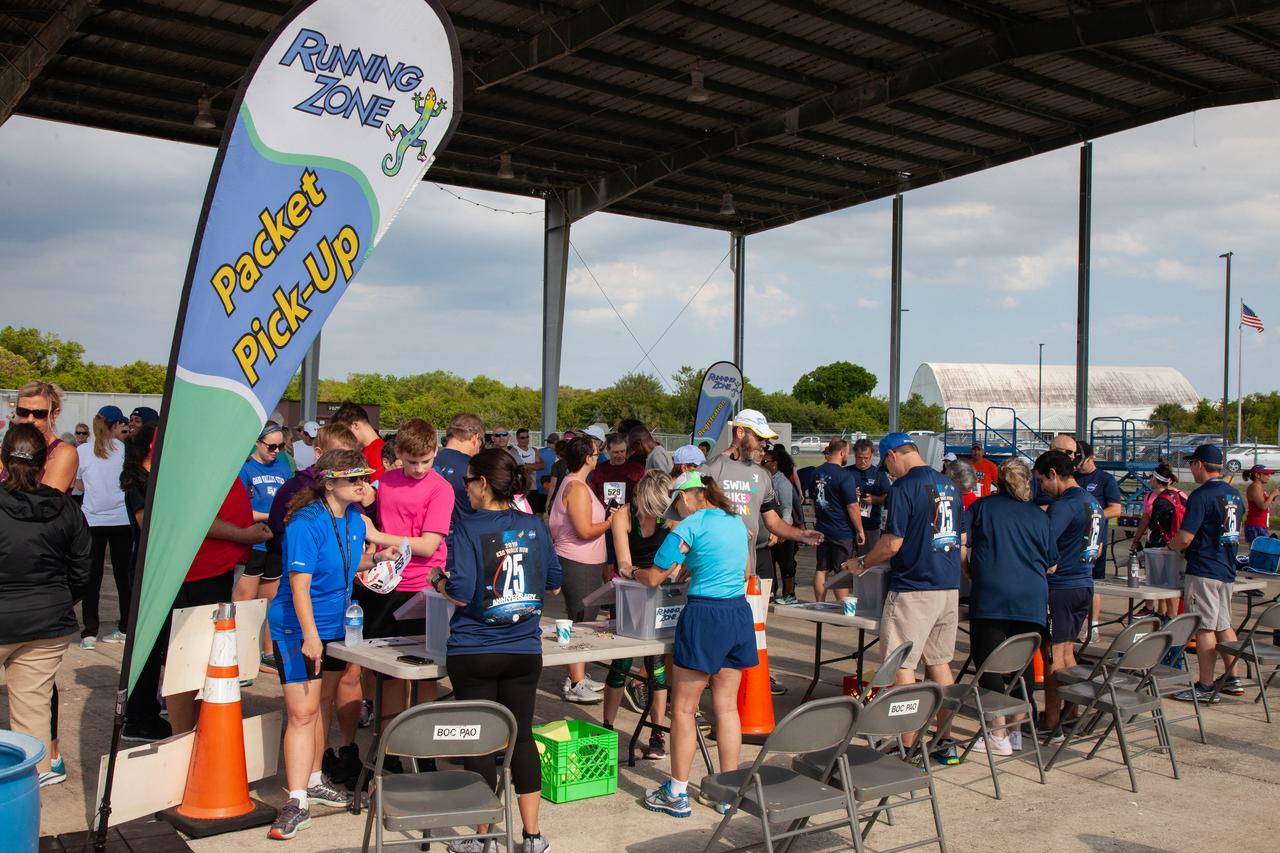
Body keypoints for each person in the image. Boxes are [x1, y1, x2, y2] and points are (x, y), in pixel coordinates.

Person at [432, 448, 561, 853]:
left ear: (483, 483)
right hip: (523, 648)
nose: (464, 489)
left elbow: (460, 589)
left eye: (468, 481)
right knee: (521, 739)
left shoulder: (467, 525)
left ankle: (482, 836)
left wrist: (438, 581)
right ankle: (533, 836)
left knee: (480, 743)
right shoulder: (532, 524)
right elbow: (554, 581)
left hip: (474, 649)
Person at [267, 449, 396, 840]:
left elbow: (344, 562)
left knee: (320, 705)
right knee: (303, 712)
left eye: (365, 478)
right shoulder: (305, 523)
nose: (364, 485)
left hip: (336, 626)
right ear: (329, 482)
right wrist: (310, 636)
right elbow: (299, 585)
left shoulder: (354, 518)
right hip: (298, 627)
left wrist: (378, 559)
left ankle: (314, 779)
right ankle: (296, 801)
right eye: (354, 479)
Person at [843, 433, 965, 763]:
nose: (889, 472)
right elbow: (961, 537)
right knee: (940, 664)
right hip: (948, 587)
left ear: (894, 455)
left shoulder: (904, 487)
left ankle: (909, 747)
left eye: (887, 464)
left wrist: (862, 563)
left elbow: (892, 544)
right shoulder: (949, 485)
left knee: (902, 668)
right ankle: (946, 742)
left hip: (914, 589)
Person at [642, 471, 754, 818]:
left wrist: (632, 571)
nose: (676, 511)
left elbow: (655, 576)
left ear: (689, 497)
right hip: (738, 614)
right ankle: (727, 791)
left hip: (704, 616)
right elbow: (747, 570)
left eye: (677, 503)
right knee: (727, 708)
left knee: (685, 710)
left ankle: (676, 792)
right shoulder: (735, 521)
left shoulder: (689, 526)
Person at [0, 424, 90, 787]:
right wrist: (58, 600)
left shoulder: (64, 507)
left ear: (4, 459)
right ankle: (27, 795)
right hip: (47, 622)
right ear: (43, 464)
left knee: (33, 710)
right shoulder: (67, 508)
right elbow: (84, 569)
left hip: (30, 615)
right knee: (33, 712)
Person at [964, 458, 1056, 756]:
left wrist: (972, 570)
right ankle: (1016, 730)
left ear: (997, 482)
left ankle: (998, 732)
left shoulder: (982, 508)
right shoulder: (1038, 516)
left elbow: (964, 545)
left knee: (989, 662)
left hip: (993, 594)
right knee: (1023, 664)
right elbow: (1052, 564)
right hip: (1031, 596)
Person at [167, 478, 273, 735]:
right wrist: (243, 534)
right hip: (198, 574)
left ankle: (197, 734)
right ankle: (182, 738)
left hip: (220, 569)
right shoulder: (196, 461)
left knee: (207, 661)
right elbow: (195, 517)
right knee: (187, 662)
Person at [692, 410, 823, 577]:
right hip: (712, 570)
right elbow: (688, 516)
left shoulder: (762, 475)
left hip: (747, 571)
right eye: (759, 438)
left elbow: (773, 522)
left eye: (766, 440)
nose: (764, 444)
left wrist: (800, 534)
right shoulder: (710, 470)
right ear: (740, 432)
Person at [1168, 444, 1247, 703]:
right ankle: (1233, 678)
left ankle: (1205, 685)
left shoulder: (1201, 496)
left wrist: (1171, 546)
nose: (1191, 469)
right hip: (1226, 567)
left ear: (1199, 465)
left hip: (1204, 567)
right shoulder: (1234, 494)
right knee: (1223, 624)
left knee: (1204, 627)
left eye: (1192, 464)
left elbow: (1185, 537)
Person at [1033, 449, 1103, 739]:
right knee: (1067, 653)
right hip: (1084, 583)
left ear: (1053, 474)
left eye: (1042, 481)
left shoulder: (1064, 504)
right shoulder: (1093, 502)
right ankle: (1069, 713)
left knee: (1053, 656)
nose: (1042, 489)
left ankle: (1051, 722)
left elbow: (1043, 542)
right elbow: (1098, 549)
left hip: (1061, 587)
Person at [606, 470, 673, 758]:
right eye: (653, 507)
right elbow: (623, 562)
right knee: (621, 662)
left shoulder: (668, 515)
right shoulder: (623, 515)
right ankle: (607, 728)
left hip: (659, 590)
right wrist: (638, 574)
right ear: (641, 498)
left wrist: (669, 573)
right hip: (630, 590)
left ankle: (657, 732)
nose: (658, 513)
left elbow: (679, 553)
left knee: (657, 664)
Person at [549, 435, 614, 703]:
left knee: (582, 618)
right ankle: (575, 683)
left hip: (582, 562)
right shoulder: (576, 487)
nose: (599, 457)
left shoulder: (577, 484)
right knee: (581, 621)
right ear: (587, 458)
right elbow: (585, 530)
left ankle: (578, 676)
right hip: (577, 562)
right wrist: (612, 521)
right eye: (597, 453)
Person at [118, 423, 172, 743]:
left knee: (156, 644)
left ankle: (146, 708)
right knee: (147, 645)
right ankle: (138, 717)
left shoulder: (155, 476)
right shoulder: (138, 480)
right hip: (145, 569)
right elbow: (146, 522)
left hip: (158, 566)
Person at [236, 422, 294, 668]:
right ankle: (242, 654)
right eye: (271, 446)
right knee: (246, 600)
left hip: (275, 542)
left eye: (281, 446)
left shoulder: (283, 466)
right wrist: (270, 516)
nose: (276, 451)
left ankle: (269, 652)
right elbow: (240, 510)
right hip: (253, 541)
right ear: (257, 443)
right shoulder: (245, 468)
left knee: (271, 600)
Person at [75, 406, 132, 649]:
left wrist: (94, 490)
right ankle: (125, 627)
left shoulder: (82, 450)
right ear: (116, 424)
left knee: (92, 578)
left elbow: (77, 483)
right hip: (122, 519)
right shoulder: (124, 450)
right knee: (123, 577)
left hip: (93, 519)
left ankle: (89, 632)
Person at [1075, 441, 1123, 640]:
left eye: (1082, 460)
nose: (1078, 465)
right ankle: (1075, 624)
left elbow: (1116, 509)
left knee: (1094, 583)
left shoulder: (1104, 479)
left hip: (1095, 540)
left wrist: (1093, 516)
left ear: (1092, 458)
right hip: (1073, 540)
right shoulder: (1072, 477)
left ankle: (1093, 625)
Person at [1128, 463, 1187, 618]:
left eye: (1151, 477)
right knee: (1160, 582)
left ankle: (1171, 618)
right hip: (1171, 543)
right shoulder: (1176, 495)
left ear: (1156, 479)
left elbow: (1152, 523)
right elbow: (1145, 519)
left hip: (1163, 544)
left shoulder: (1164, 498)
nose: (1149, 480)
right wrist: (1137, 539)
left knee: (1167, 584)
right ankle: (1162, 614)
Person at [810, 439, 865, 602]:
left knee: (822, 568)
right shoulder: (845, 476)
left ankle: (819, 604)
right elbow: (852, 506)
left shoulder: (816, 472)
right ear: (842, 452)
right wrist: (860, 530)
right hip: (842, 530)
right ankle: (843, 607)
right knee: (842, 569)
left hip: (822, 527)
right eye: (847, 452)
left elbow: (813, 501)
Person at [761, 446, 800, 604]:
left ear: (774, 464)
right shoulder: (766, 478)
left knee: (786, 564)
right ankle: (771, 592)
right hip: (770, 529)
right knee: (771, 564)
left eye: (765, 461)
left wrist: (782, 531)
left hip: (782, 529)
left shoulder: (782, 482)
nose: (762, 463)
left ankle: (789, 594)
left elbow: (787, 508)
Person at [845, 437, 891, 557]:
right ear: (854, 455)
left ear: (872, 455)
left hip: (870, 526)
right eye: (859, 458)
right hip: (847, 526)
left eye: (866, 458)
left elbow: (888, 498)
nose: (863, 461)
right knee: (844, 564)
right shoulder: (846, 472)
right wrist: (850, 495)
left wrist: (874, 499)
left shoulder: (879, 474)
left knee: (868, 562)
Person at [434, 413, 485, 517]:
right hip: (468, 529)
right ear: (475, 437)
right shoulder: (474, 467)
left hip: (433, 531)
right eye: (481, 443)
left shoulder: (426, 463)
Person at [330, 401, 385, 483]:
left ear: (355, 425)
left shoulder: (379, 452)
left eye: (344, 432)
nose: (343, 437)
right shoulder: (367, 451)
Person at [592, 433, 644, 508]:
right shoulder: (599, 470)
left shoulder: (637, 469)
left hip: (629, 515)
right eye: (616, 452)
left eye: (622, 451)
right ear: (608, 450)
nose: (620, 455)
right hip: (605, 516)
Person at [1243, 464, 1275, 542]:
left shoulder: (1259, 487)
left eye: (1269, 474)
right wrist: (1272, 495)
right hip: (1255, 525)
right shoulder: (1255, 487)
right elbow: (1263, 506)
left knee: (1261, 551)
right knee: (1258, 551)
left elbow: (1266, 505)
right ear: (1257, 475)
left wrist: (1272, 498)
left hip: (1261, 524)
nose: (1269, 476)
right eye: (1266, 474)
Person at [529, 432, 558, 515]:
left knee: (538, 515)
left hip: (538, 488)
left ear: (547, 442)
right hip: (552, 491)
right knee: (553, 516)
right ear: (557, 443)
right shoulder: (559, 455)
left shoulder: (538, 452)